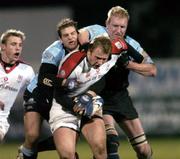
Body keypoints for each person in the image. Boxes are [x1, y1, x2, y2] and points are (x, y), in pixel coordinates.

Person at [78, 6, 157, 159]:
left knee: (143, 149)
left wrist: (129, 64)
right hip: (98, 95)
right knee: (110, 142)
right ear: (107, 23)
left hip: (120, 96)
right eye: (115, 26)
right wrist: (87, 48)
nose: (119, 30)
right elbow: (81, 34)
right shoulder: (96, 31)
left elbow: (152, 69)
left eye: (122, 27)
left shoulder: (129, 44)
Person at [49, 35, 127, 159]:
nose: (100, 62)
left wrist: (89, 94)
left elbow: (102, 78)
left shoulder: (110, 57)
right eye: (97, 57)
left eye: (103, 59)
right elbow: (59, 95)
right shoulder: (73, 63)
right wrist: (77, 106)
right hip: (64, 107)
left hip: (88, 103)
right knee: (67, 156)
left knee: (101, 150)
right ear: (89, 51)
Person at [16, 18, 80, 159]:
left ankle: (30, 151)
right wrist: (66, 83)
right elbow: (43, 79)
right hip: (38, 92)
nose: (70, 37)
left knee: (69, 142)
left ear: (78, 33)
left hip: (60, 97)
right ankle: (27, 150)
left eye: (72, 33)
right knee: (32, 136)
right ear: (60, 38)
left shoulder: (86, 48)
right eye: (66, 35)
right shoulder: (53, 51)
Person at [0, 29, 35, 142]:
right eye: (13, 44)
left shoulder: (26, 70)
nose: (18, 48)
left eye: (20, 45)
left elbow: (36, 92)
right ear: (3, 46)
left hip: (1, 118)